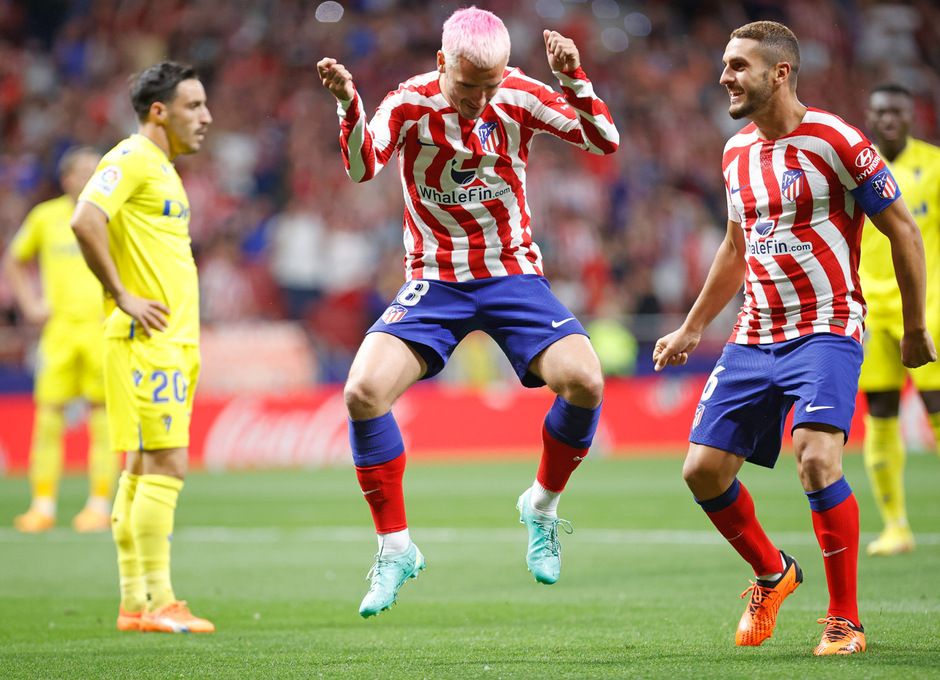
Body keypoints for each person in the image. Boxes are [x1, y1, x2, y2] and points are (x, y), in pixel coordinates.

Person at [317, 7, 618, 618]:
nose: (480, 100)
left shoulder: (522, 94)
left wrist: (573, 78)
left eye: (491, 85)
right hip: (435, 280)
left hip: (511, 273)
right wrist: (350, 104)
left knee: (586, 381)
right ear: (440, 64)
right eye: (467, 86)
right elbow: (360, 166)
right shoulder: (408, 103)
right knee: (362, 392)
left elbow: (604, 141)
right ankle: (395, 548)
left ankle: (541, 505)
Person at [653, 21, 936, 656]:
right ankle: (773, 573)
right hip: (753, 335)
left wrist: (914, 327)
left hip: (828, 328)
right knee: (701, 471)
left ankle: (845, 621)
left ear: (780, 73)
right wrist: (693, 326)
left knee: (815, 456)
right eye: (724, 64)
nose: (724, 76)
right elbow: (734, 247)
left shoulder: (838, 139)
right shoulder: (734, 153)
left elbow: (904, 233)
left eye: (737, 65)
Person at [70, 61, 214, 634]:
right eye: (194, 106)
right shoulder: (131, 158)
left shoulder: (163, 169)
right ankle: (159, 601)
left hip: (167, 341)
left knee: (139, 467)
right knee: (166, 462)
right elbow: (85, 220)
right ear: (160, 111)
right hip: (148, 340)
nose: (207, 118)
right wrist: (122, 294)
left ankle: (135, 602)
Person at [4, 147, 116, 534]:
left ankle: (99, 505)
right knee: (48, 419)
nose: (90, 177)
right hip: (60, 333)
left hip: (102, 330)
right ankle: (42, 506)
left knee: (102, 421)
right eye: (83, 171)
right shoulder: (46, 216)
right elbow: (14, 260)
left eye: (95, 170)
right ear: (66, 178)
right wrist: (31, 304)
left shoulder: (111, 214)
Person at [859, 83, 940, 556]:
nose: (889, 119)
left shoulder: (933, 166)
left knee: (936, 407)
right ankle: (895, 526)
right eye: (881, 111)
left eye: (898, 111)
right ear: (869, 116)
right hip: (870, 310)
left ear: (912, 116)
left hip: (927, 307)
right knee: (881, 414)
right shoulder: (856, 167)